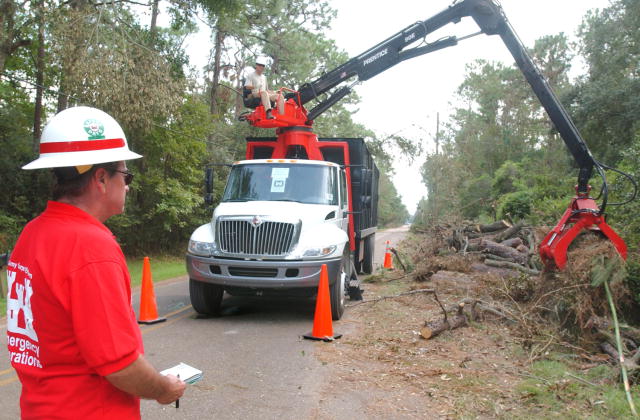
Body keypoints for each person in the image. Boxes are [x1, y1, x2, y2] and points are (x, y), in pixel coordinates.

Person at [6, 106, 185, 419]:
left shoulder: (33, 233)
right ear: (101, 179)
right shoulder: (91, 247)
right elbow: (119, 364)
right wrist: (164, 389)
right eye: (125, 175)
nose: (127, 185)